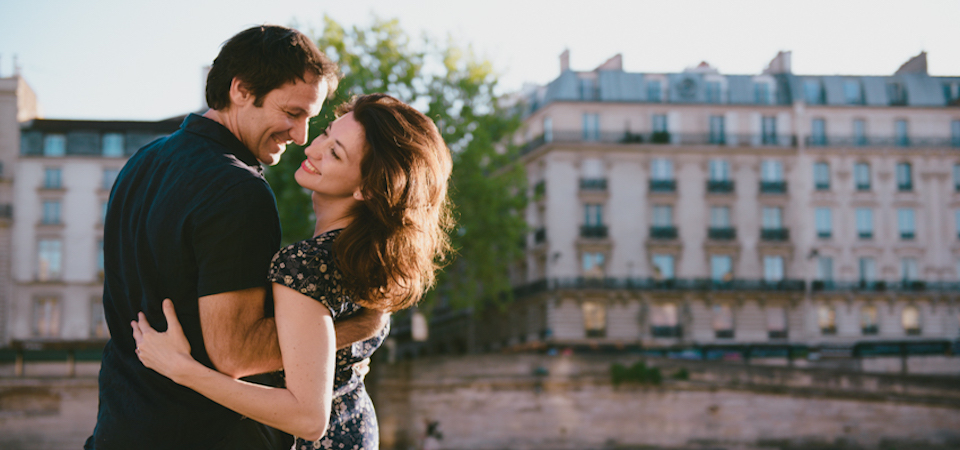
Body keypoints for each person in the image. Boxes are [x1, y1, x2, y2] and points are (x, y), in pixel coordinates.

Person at [86, 25, 387, 450]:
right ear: (241, 90)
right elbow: (237, 353)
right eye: (292, 113)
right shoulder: (238, 190)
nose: (301, 136)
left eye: (311, 120)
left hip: (120, 427)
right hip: (202, 434)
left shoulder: (142, 162)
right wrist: (357, 325)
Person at [132, 93, 452, 450]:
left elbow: (308, 418)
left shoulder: (306, 265)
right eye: (327, 133)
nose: (313, 148)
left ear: (368, 188)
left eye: (335, 153)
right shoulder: (365, 258)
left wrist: (183, 370)